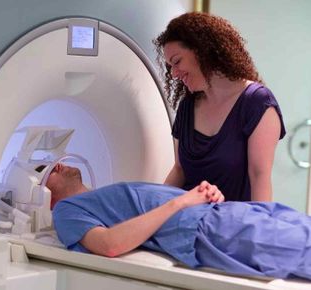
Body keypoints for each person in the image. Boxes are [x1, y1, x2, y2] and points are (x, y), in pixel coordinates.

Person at [47, 163, 311, 281]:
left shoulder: (99, 196)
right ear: (45, 198)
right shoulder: (65, 212)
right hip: (206, 229)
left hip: (225, 212)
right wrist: (182, 202)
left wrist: (203, 196)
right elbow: (110, 244)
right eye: (45, 170)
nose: (57, 165)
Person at [152, 12, 286, 202]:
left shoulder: (257, 103)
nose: (173, 74)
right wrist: (154, 208)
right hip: (186, 220)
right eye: (170, 67)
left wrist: (259, 228)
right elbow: (180, 170)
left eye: (176, 62)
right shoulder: (188, 106)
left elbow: (259, 178)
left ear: (202, 50)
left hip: (232, 223)